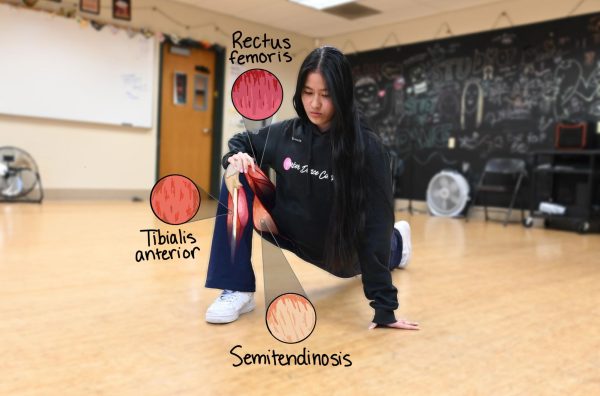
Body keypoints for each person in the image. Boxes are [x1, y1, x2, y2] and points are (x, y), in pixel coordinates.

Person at [205, 46, 419, 331]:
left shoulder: (368, 147)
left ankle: (399, 244)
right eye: (308, 92)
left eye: (326, 94)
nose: (315, 104)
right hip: (288, 231)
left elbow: (376, 225)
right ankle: (237, 288)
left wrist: (384, 309)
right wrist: (236, 157)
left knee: (384, 243)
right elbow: (244, 141)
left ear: (341, 95)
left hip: (341, 253)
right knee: (236, 173)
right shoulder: (287, 133)